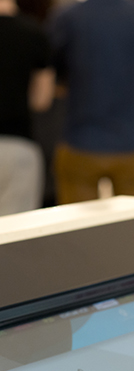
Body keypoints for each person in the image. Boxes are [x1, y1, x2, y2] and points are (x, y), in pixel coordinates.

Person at [50, 0, 134, 204]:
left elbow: (57, 75)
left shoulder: (68, 16)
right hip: (132, 140)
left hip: (81, 140)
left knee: (77, 231)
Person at [0, 0, 54, 216]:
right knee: (16, 235)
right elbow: (42, 100)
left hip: (19, 145)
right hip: (17, 143)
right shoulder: (33, 32)